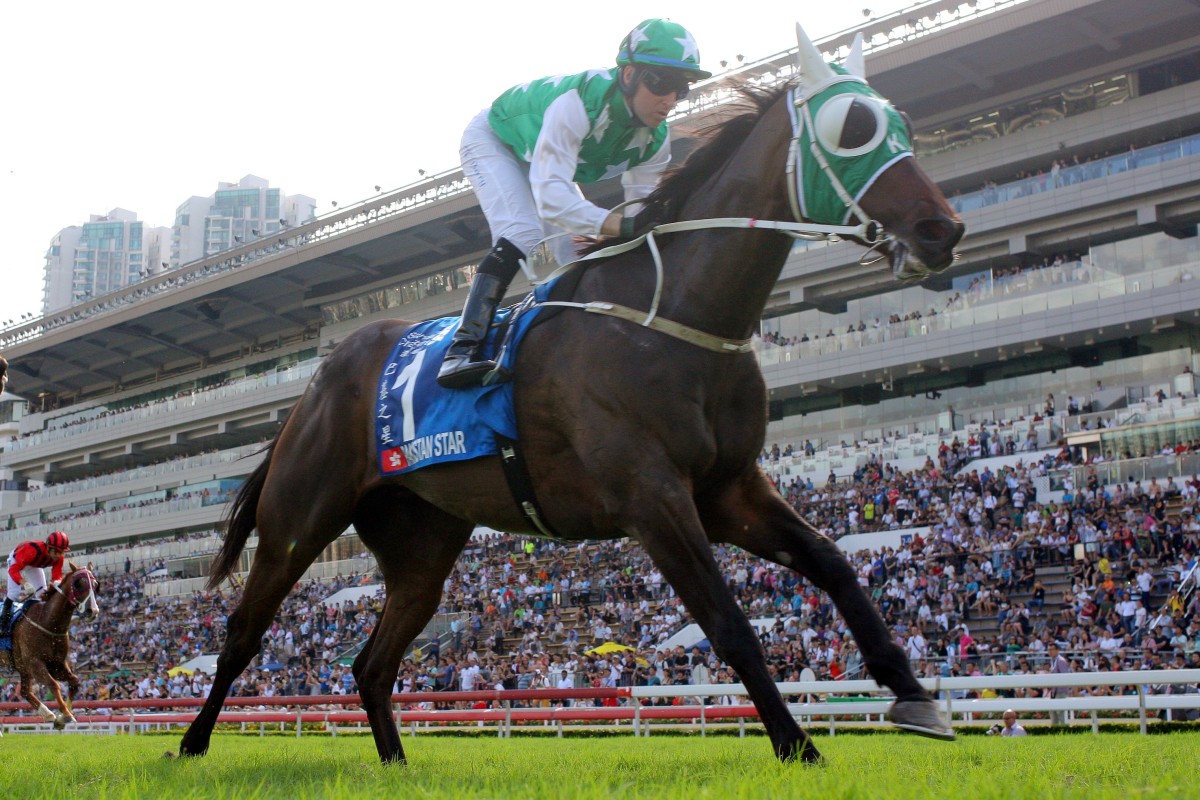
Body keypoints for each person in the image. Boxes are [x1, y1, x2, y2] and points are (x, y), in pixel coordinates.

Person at [437, 18, 711, 388]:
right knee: (522, 230)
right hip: (495, 139)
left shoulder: (655, 139)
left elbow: (637, 215)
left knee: (580, 257)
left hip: (541, 157)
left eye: (682, 90)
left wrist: (622, 235)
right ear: (628, 74)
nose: (670, 100)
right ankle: (462, 349)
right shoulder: (578, 105)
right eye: (660, 83)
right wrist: (616, 228)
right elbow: (552, 198)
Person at [2, 530, 71, 633]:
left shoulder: (59, 558)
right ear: (48, 547)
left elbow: (56, 576)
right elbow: (13, 570)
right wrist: (24, 583)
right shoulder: (32, 551)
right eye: (55, 551)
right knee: (14, 594)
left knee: (42, 593)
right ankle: (2, 625)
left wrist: (57, 584)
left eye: (61, 552)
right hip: (18, 560)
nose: (58, 555)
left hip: (34, 564)